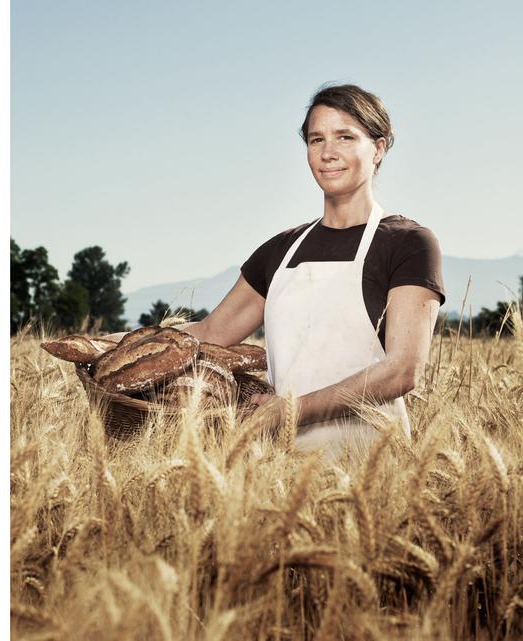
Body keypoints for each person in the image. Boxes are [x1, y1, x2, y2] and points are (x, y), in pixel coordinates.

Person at [160, 84, 442, 458]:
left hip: (374, 468)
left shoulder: (408, 243)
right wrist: (108, 347)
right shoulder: (280, 251)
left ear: (378, 148)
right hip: (280, 469)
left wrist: (291, 410)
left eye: (345, 137)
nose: (328, 153)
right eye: (315, 139)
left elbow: (403, 370)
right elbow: (209, 334)